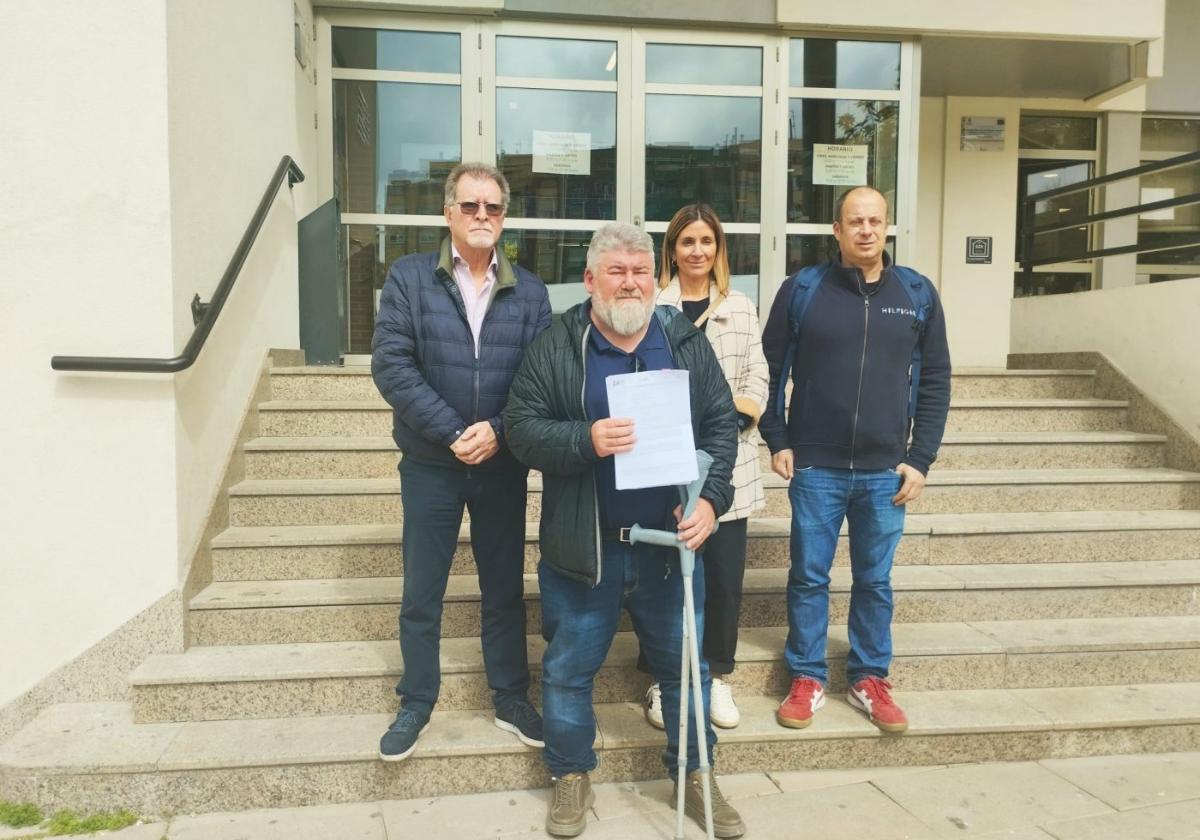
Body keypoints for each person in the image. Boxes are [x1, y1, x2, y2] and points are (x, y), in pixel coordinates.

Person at [504, 222, 744, 838]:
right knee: (565, 672)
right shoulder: (558, 344)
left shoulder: (682, 340)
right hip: (585, 552)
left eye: (641, 271)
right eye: (617, 271)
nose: (631, 282)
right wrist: (584, 439)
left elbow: (721, 425)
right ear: (590, 279)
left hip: (671, 552)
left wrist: (712, 502)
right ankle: (570, 775)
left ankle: (694, 773)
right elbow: (521, 428)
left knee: (686, 671)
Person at [371, 162, 551, 762]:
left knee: (503, 588)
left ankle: (510, 696)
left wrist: (498, 431)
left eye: (493, 208)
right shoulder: (408, 278)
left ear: (504, 217)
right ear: (448, 212)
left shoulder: (530, 291)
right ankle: (416, 700)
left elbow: (540, 379)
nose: (482, 217)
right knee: (423, 588)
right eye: (471, 206)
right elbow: (392, 365)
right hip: (432, 462)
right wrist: (453, 432)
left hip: (501, 464)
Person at [759, 185, 951, 735]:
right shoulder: (804, 289)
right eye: (854, 221)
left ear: (887, 227)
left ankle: (869, 676)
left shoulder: (915, 293)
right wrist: (778, 438)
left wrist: (920, 458)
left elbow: (935, 378)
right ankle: (807, 676)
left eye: (875, 220)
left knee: (874, 580)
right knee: (809, 576)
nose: (866, 230)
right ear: (836, 231)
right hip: (815, 465)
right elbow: (771, 369)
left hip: (885, 469)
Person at [641, 204, 768, 731]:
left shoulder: (739, 307)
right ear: (671, 249)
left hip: (728, 464)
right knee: (661, 578)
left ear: (718, 249)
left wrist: (730, 419)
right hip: (665, 463)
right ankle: (659, 677)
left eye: (706, 241)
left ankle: (715, 675)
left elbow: (757, 377)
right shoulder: (652, 306)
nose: (697, 251)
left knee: (722, 579)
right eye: (687, 241)